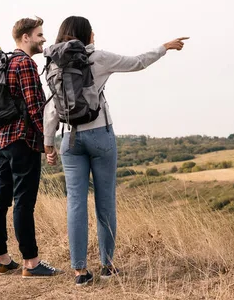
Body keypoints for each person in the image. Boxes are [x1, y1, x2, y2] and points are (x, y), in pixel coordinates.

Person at [43, 16, 188, 286]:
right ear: (86, 34)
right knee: (105, 201)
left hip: (69, 140)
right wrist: (163, 47)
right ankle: (107, 266)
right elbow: (137, 62)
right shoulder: (98, 57)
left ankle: (80, 272)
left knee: (75, 204)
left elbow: (52, 106)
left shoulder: (53, 61)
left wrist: (48, 143)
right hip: (100, 135)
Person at [0, 16, 63, 278]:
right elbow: (35, 108)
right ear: (26, 38)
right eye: (40, 35)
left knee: (0, 200)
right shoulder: (25, 64)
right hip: (23, 143)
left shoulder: (5, 63)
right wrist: (48, 144)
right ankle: (31, 263)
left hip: (3, 142)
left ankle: (2, 259)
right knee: (23, 203)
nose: (44, 39)